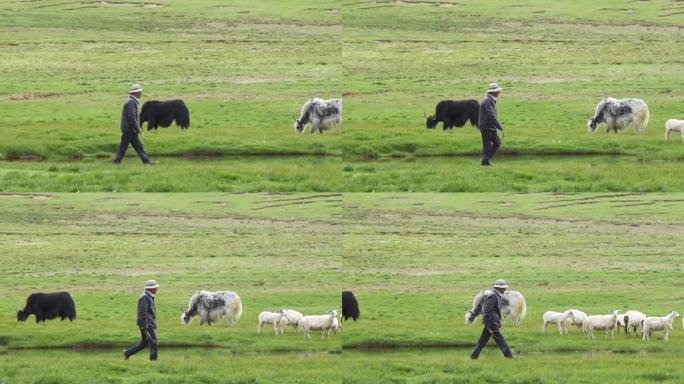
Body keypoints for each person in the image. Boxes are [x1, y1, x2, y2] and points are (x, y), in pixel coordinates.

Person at [469, 279, 514, 360]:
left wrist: (477, 316)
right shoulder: (493, 296)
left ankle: (473, 356)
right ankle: (509, 356)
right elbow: (488, 310)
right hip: (492, 322)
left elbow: (479, 305)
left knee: (482, 341)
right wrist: (487, 324)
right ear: (499, 288)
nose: (505, 289)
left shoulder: (491, 294)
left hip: (490, 322)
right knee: (500, 340)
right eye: (504, 287)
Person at [112, 84, 156, 165]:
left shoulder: (131, 101)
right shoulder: (131, 102)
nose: (141, 93)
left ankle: (146, 161)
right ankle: (116, 162)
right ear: (135, 93)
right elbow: (132, 118)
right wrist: (137, 128)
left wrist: (136, 128)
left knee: (138, 147)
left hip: (131, 129)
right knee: (123, 147)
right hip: (129, 129)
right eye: (140, 92)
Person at [124, 280, 159, 361]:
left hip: (148, 323)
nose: (157, 289)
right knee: (154, 342)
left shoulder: (148, 296)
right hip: (146, 324)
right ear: (151, 288)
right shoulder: (145, 297)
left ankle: (127, 353)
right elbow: (142, 313)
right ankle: (154, 361)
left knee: (144, 342)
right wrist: (145, 326)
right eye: (155, 287)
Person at [478, 83, 504, 167]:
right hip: (486, 127)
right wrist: (499, 126)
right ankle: (485, 162)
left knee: (497, 142)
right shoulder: (487, 101)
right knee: (487, 145)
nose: (499, 92)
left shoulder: (490, 99)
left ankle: (486, 159)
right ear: (493, 92)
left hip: (490, 126)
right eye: (498, 91)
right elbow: (491, 115)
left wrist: (496, 125)